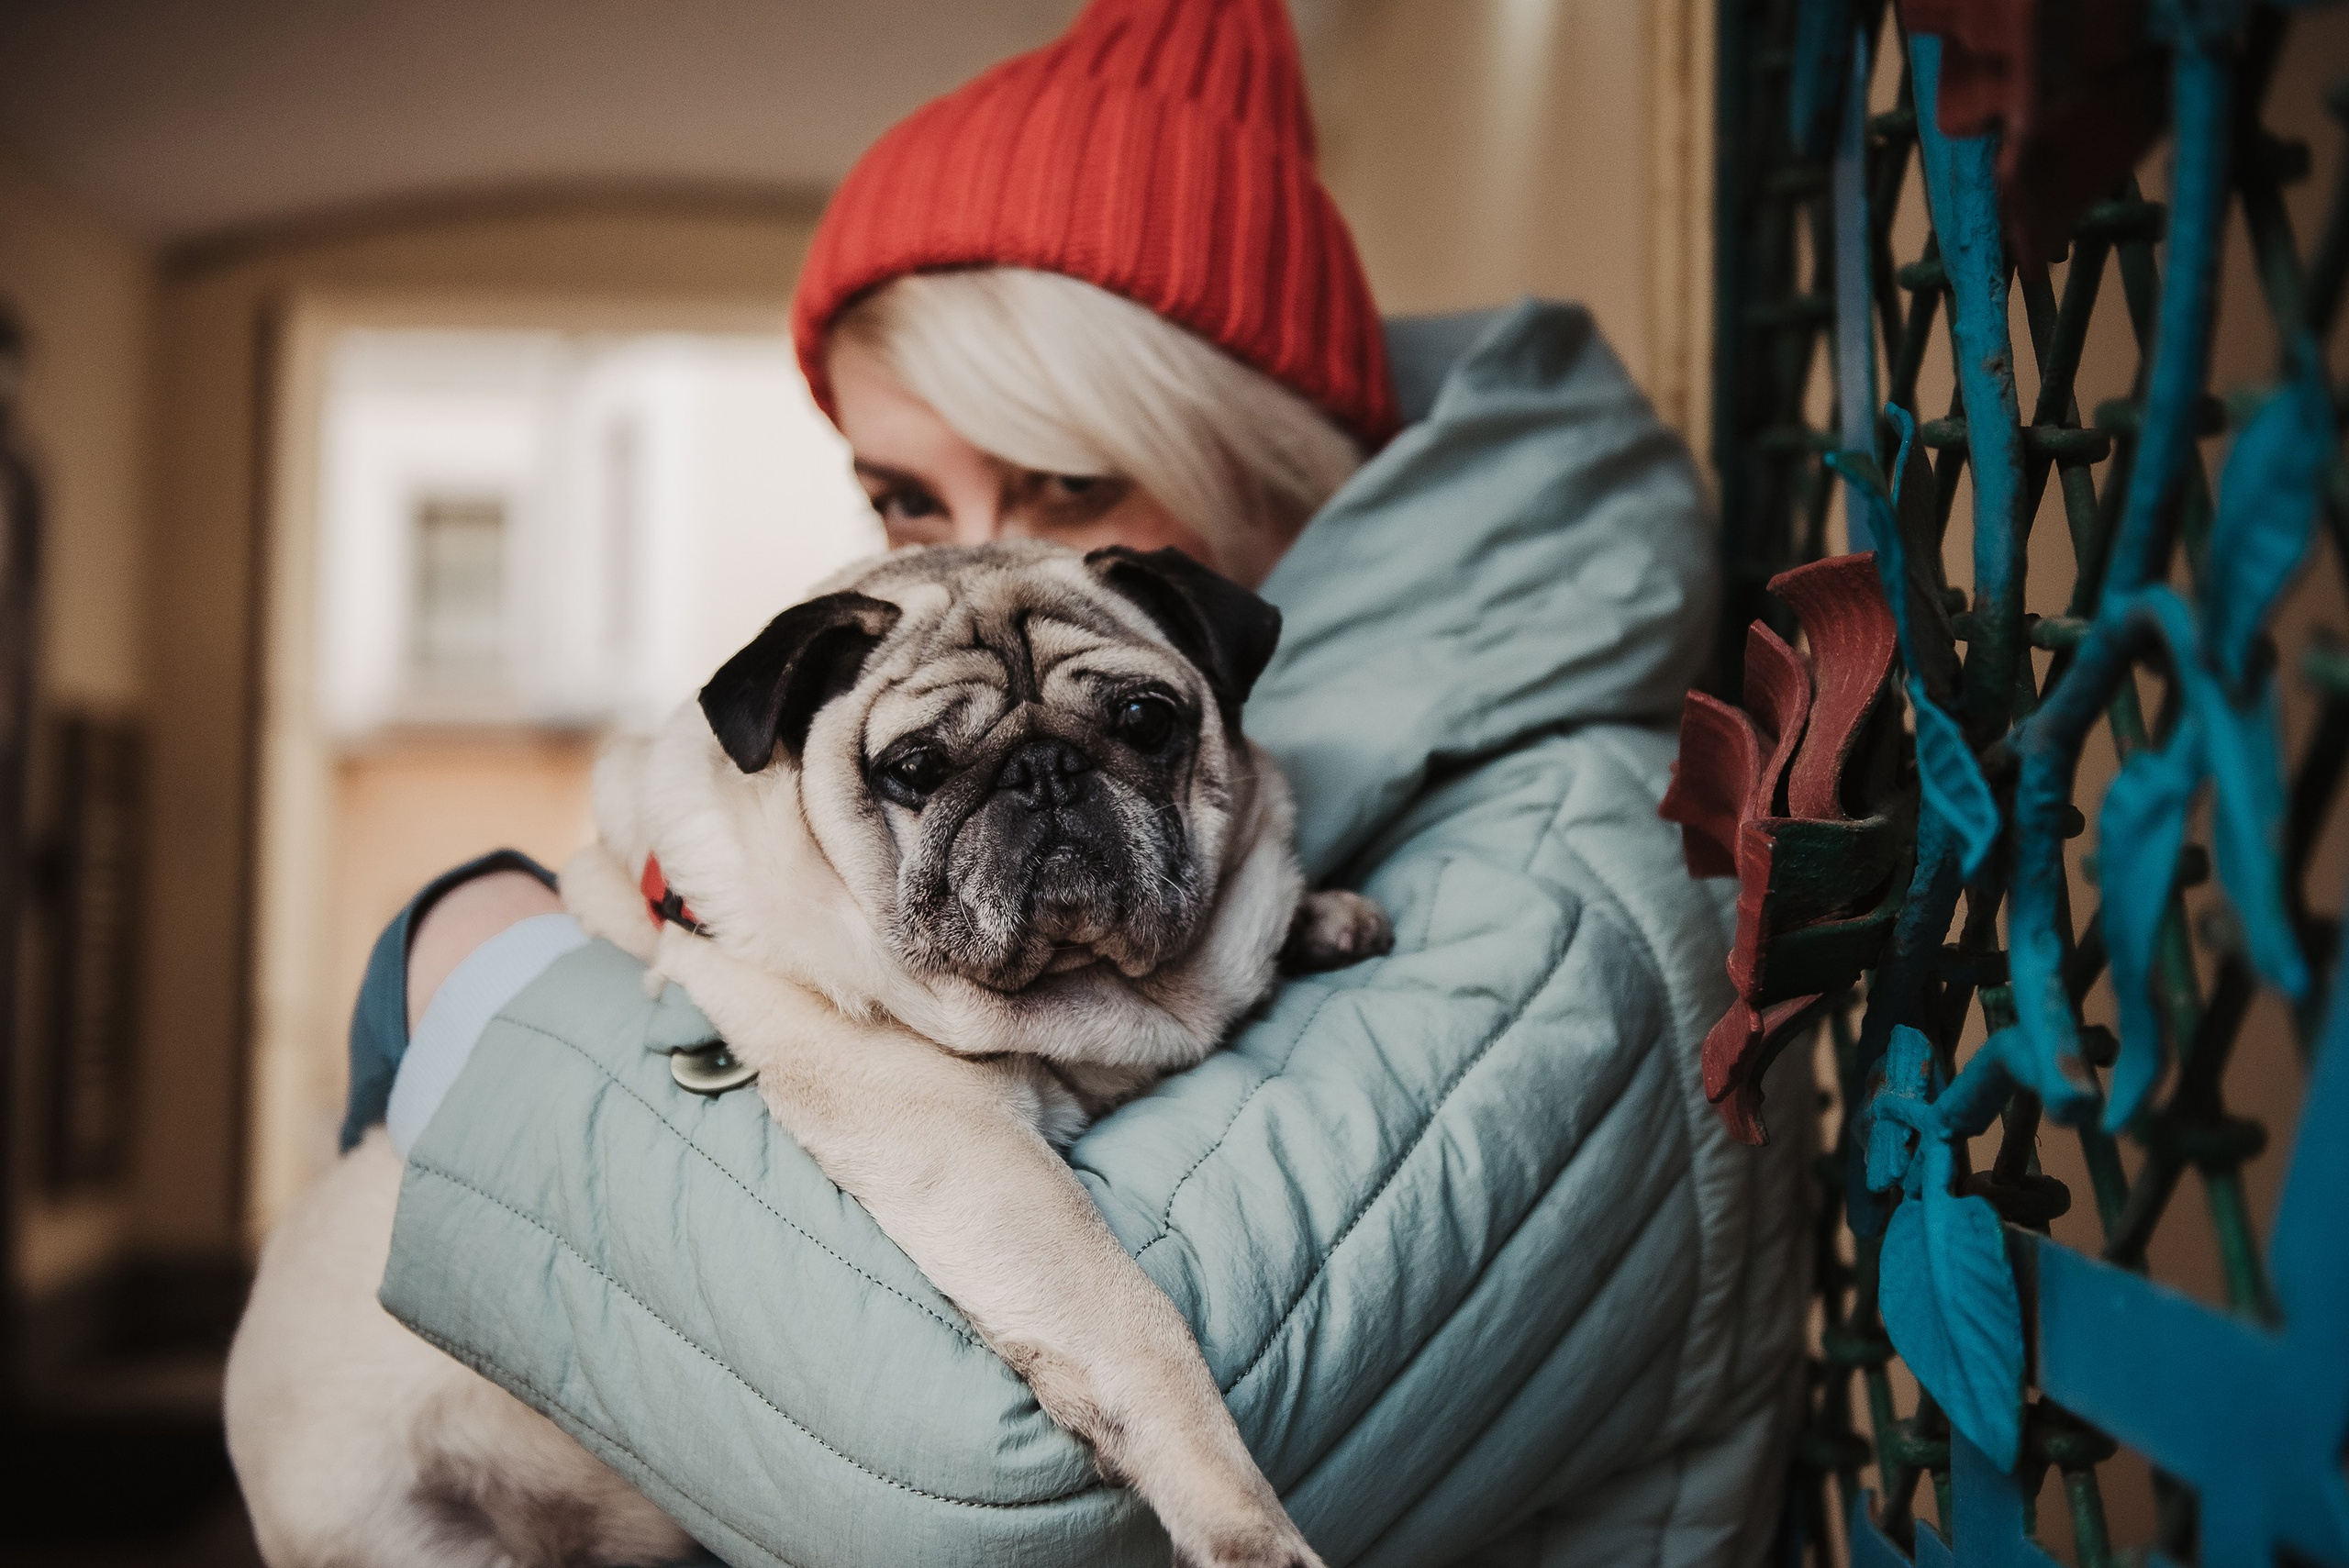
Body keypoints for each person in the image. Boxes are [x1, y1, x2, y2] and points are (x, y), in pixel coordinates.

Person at [350, 1, 1811, 1562]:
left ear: (1259, 456)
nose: (980, 564)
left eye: (1066, 482)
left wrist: (482, 981)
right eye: (906, 500)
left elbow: (1016, 1500)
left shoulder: (1563, 877)